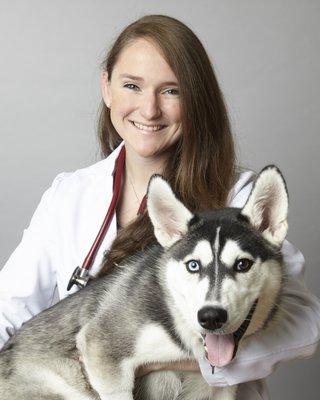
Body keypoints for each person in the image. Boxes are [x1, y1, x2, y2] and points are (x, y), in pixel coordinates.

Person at [0, 14, 319, 399]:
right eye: (132, 85)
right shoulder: (69, 194)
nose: (149, 110)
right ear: (107, 88)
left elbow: (304, 327)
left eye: (171, 91)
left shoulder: (240, 199)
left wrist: (150, 353)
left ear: (196, 99)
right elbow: (8, 310)